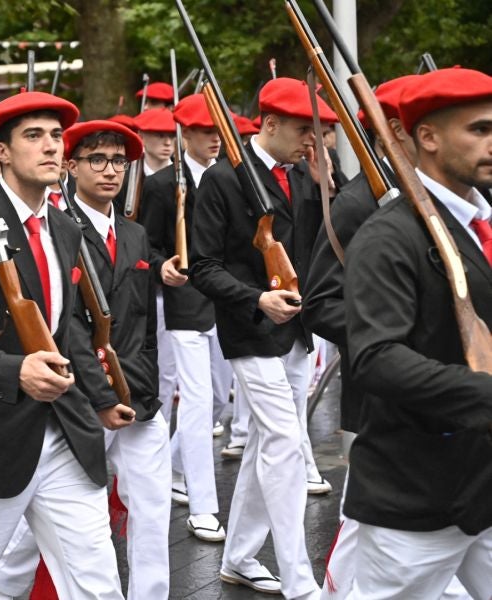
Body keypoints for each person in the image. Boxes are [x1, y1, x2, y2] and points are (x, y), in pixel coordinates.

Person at [0, 91, 129, 599]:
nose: (51, 146)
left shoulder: (64, 228)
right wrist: (15, 372)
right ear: (1, 152)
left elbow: (68, 330)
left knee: (98, 585)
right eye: (34, 136)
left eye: (56, 135)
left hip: (65, 433)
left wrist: (101, 397)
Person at [0, 119, 169, 599]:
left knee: (152, 511)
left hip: (139, 393)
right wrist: (103, 395)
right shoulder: (56, 229)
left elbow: (143, 321)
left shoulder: (134, 234)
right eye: (97, 160)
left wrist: (145, 384)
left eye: (119, 162)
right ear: (71, 166)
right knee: (43, 520)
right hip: (81, 397)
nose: (110, 171)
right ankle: (3, 589)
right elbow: (67, 327)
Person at [342, 66, 492, 600]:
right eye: (479, 129)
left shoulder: (483, 222)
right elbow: (377, 357)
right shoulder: (387, 236)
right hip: (418, 490)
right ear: (426, 137)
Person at [190, 77, 338, 598]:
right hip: (249, 329)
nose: (312, 141)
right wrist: (256, 299)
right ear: (270, 124)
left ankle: (239, 556)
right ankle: (299, 579)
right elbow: (202, 266)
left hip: (295, 328)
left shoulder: (304, 175)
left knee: (266, 443)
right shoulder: (222, 179)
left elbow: (324, 242)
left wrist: (326, 188)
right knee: (285, 443)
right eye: (303, 130)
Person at [301, 73, 423, 598]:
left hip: (443, 397)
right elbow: (321, 302)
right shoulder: (356, 203)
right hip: (382, 395)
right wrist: (396, 334)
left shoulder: (440, 195)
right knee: (367, 523)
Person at [139, 93, 233, 542]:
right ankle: (203, 506)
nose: (214, 139)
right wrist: (162, 267)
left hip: (226, 301)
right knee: (195, 403)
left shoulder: (230, 177)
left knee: (219, 401)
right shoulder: (162, 185)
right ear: (186, 134)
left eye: (218, 132)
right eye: (205, 132)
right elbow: (147, 242)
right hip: (184, 302)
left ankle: (173, 467)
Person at [133, 108, 176, 176]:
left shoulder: (184, 175)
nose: (168, 143)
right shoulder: (126, 175)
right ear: (141, 137)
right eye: (160, 136)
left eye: (172, 136)